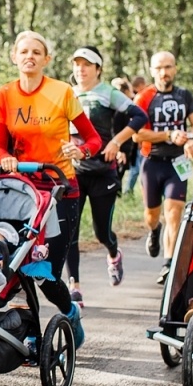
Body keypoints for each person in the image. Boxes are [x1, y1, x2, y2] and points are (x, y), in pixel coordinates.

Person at [0, 31, 102, 343]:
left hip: (60, 189)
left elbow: (93, 139)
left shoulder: (62, 92)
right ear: (14, 56)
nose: (30, 56)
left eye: (37, 52)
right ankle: (31, 329)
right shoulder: (5, 95)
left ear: (46, 60)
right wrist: (7, 158)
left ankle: (69, 312)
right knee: (17, 263)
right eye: (24, 51)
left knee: (45, 271)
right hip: (24, 192)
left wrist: (81, 150)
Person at [68, 46, 143, 301]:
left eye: (86, 65)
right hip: (74, 173)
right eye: (77, 64)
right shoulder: (68, 94)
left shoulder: (108, 93)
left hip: (103, 172)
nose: (81, 69)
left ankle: (113, 253)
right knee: (71, 232)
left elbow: (139, 116)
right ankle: (74, 287)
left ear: (98, 69)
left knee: (102, 232)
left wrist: (116, 142)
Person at [134, 50, 193, 284]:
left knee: (174, 213)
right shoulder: (144, 98)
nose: (164, 72)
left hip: (177, 164)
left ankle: (168, 264)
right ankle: (154, 230)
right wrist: (168, 134)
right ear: (152, 71)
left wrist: (191, 138)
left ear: (175, 69)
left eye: (168, 67)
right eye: (159, 68)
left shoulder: (184, 95)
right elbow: (136, 135)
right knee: (152, 215)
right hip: (152, 163)